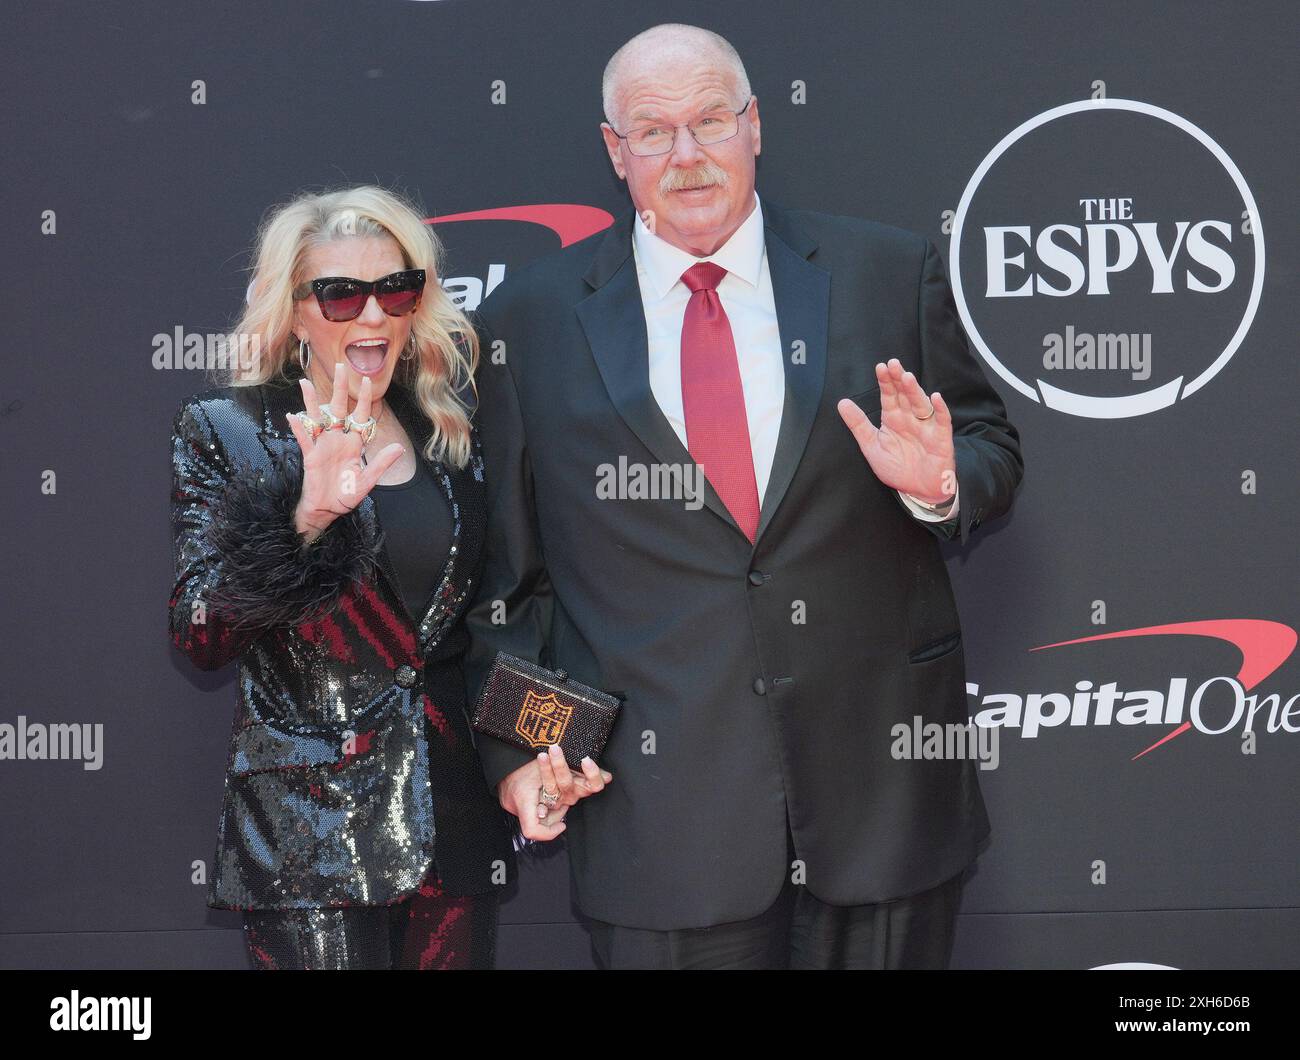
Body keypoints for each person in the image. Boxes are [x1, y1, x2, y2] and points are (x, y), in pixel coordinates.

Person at [464, 23, 1024, 969]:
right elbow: (505, 586)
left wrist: (941, 483)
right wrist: (529, 754)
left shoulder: (886, 272)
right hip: (659, 829)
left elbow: (990, 449)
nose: (687, 156)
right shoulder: (530, 318)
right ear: (615, 151)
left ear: (755, 126)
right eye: (653, 132)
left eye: (711, 121)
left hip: (881, 804)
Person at [169, 185, 514, 969]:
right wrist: (305, 521)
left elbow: (495, 619)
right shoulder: (227, 431)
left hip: (452, 826)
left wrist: (539, 750)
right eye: (339, 294)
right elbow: (198, 629)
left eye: (395, 289)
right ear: (295, 314)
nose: (372, 315)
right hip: (309, 838)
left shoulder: (450, 431)